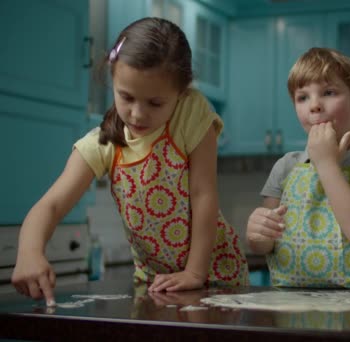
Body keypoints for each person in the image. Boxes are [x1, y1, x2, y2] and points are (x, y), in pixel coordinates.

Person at [11, 17, 249, 306]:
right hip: (155, 284)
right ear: (112, 79)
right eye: (126, 97)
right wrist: (29, 253)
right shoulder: (104, 143)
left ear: (181, 93)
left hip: (215, 275)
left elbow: (203, 194)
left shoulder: (191, 113)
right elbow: (51, 205)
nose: (137, 114)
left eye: (155, 103)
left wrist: (195, 272)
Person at [246, 47, 350, 290]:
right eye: (302, 97)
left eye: (328, 92)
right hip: (287, 300)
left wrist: (326, 163)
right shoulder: (286, 166)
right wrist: (257, 233)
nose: (314, 105)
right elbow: (264, 244)